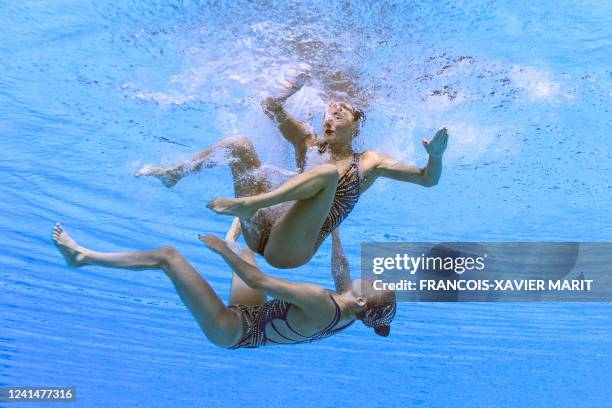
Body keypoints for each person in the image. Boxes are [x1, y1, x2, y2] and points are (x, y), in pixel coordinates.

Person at [136, 65, 449, 268]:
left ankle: (249, 204)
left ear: (357, 125)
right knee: (239, 145)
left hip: (289, 251)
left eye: (340, 116)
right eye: (328, 115)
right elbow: (269, 108)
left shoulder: (368, 162)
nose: (330, 117)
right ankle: (175, 174)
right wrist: (290, 86)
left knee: (326, 175)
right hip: (259, 229)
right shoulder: (307, 142)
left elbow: (427, 180)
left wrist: (434, 157)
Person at [51, 220, 397, 349]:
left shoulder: (321, 301)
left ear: (364, 302)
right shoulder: (350, 314)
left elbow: (255, 280)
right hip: (255, 318)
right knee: (246, 252)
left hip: (230, 329)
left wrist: (218, 248)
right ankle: (237, 240)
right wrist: (333, 228)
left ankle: (82, 257)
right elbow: (343, 271)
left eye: (374, 284)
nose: (371, 277)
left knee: (169, 257)